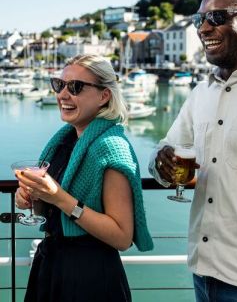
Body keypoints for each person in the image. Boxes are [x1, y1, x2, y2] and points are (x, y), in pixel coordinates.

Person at [149, 0, 237, 301]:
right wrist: (161, 162)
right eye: (199, 19)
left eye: (216, 18)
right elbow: (165, 150)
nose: (203, 28)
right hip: (204, 274)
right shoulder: (200, 94)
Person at [15, 54, 153, 302]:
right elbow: (54, 206)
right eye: (60, 84)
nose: (63, 95)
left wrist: (59, 198)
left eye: (76, 87)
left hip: (90, 277)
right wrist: (32, 197)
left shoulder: (111, 147)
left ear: (104, 96)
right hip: (51, 266)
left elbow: (122, 236)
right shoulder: (66, 140)